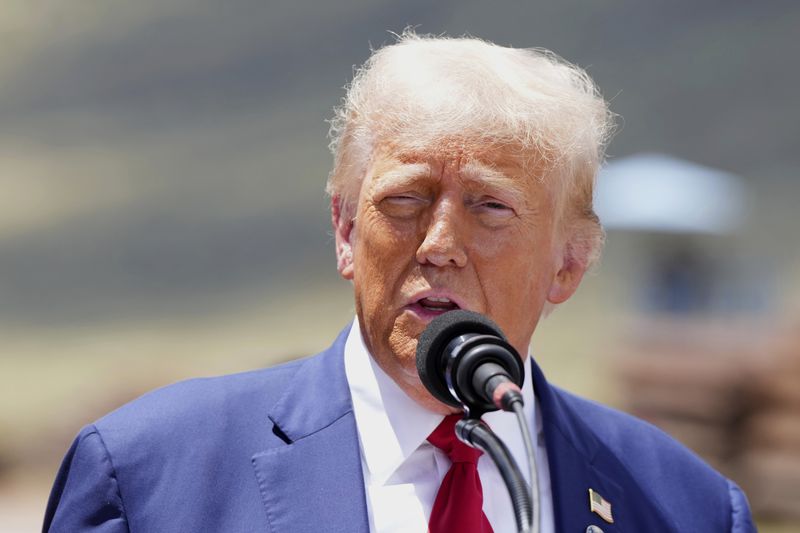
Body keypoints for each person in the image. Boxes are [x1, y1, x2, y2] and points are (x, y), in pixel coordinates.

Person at [43, 32, 755, 532]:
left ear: (569, 261)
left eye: (490, 206)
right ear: (346, 229)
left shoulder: (684, 506)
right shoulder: (148, 474)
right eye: (404, 201)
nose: (440, 245)